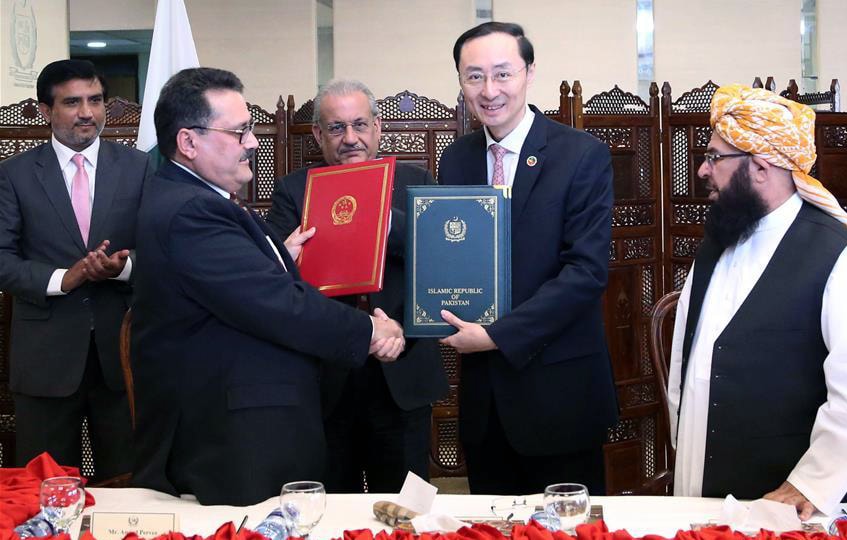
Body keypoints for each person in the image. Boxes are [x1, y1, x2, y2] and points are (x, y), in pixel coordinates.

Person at [130, 67, 406, 506]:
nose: (253, 143)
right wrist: (371, 332)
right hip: (227, 439)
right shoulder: (191, 212)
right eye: (239, 132)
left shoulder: (198, 202)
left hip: (247, 424)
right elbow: (277, 304)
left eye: (251, 130)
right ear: (188, 142)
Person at [667, 84, 847, 518]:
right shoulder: (716, 243)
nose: (701, 170)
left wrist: (809, 484)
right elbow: (688, 362)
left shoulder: (839, 259)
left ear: (760, 166)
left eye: (715, 157)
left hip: (808, 509)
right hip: (714, 501)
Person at [436, 22, 618, 495]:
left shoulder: (582, 155)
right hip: (485, 401)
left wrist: (497, 336)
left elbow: (585, 272)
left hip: (559, 393)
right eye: (473, 77)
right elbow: (452, 258)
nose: (489, 90)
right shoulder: (455, 161)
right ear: (460, 82)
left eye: (502, 74)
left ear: (529, 72)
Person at [266, 79, 448, 493]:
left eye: (360, 125)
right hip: (325, 382)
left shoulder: (416, 182)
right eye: (336, 127)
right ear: (317, 134)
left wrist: (401, 330)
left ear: (378, 127)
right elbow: (273, 288)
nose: (351, 138)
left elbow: (441, 272)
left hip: (401, 372)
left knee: (405, 514)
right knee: (329, 508)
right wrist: (286, 259)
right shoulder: (294, 192)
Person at [0, 59, 150, 478]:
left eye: (95, 100)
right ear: (46, 111)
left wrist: (121, 268)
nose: (87, 112)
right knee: (46, 491)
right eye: (72, 102)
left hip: (122, 359)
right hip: (45, 364)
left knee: (128, 488)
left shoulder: (138, 168)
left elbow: (163, 249)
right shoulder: (14, 175)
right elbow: (1, 259)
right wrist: (63, 279)